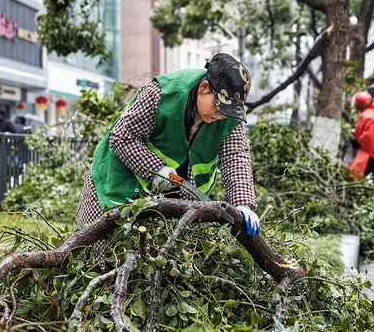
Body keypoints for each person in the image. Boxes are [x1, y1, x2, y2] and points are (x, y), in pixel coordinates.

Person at [76, 53, 260, 237]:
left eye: (228, 111)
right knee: (99, 247)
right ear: (203, 89)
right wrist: (156, 170)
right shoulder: (161, 93)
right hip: (117, 185)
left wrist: (243, 204)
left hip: (174, 200)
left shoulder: (229, 118)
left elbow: (235, 159)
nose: (221, 115)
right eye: (219, 107)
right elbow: (122, 136)